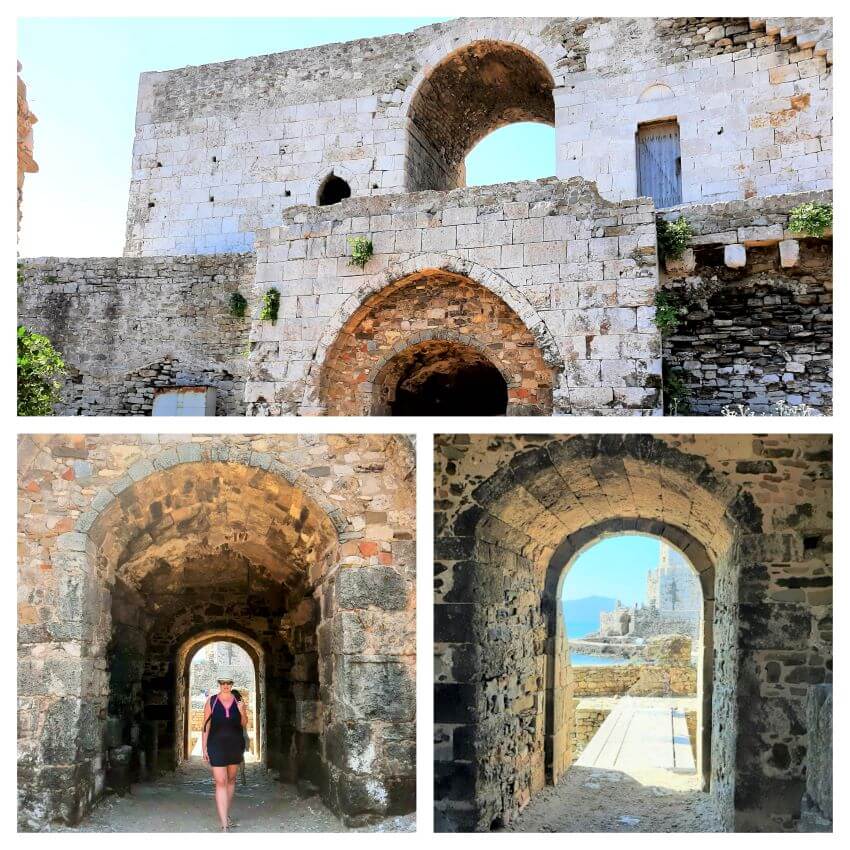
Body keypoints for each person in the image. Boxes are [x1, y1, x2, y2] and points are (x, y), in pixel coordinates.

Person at [202, 677, 247, 831]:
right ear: (219, 685)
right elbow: (206, 725)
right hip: (216, 745)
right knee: (221, 782)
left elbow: (244, 723)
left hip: (235, 745)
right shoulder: (211, 701)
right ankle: (224, 824)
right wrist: (204, 747)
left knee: (231, 780)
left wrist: (242, 712)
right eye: (223, 683)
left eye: (229, 683)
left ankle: (226, 813)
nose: (226, 686)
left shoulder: (239, 701)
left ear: (232, 685)